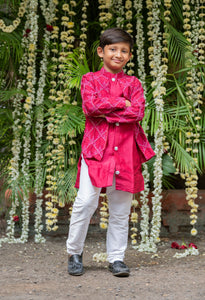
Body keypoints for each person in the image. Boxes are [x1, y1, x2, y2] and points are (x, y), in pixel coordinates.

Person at [66, 27, 155, 277]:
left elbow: (137, 112)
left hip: (126, 151)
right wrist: (120, 103)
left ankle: (116, 258)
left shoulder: (134, 83)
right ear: (101, 51)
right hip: (96, 150)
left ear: (129, 55)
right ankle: (74, 251)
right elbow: (91, 107)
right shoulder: (89, 80)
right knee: (85, 202)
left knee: (120, 208)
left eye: (124, 50)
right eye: (113, 49)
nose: (118, 54)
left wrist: (113, 108)